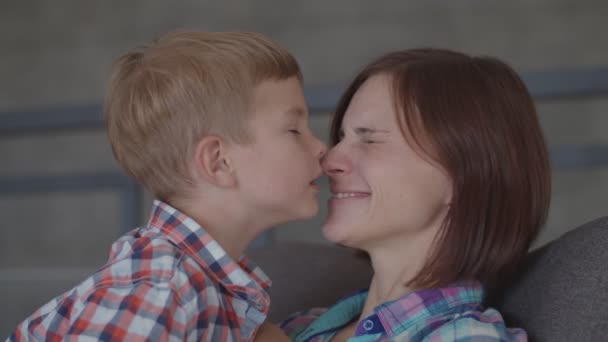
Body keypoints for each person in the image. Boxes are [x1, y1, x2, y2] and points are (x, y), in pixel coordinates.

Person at [9, 30, 326, 341]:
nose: (321, 148)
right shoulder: (159, 289)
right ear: (219, 162)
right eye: (294, 130)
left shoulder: (210, 286)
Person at [281, 48, 551, 341]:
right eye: (343, 138)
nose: (329, 160)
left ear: (463, 175)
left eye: (370, 139)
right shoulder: (296, 328)